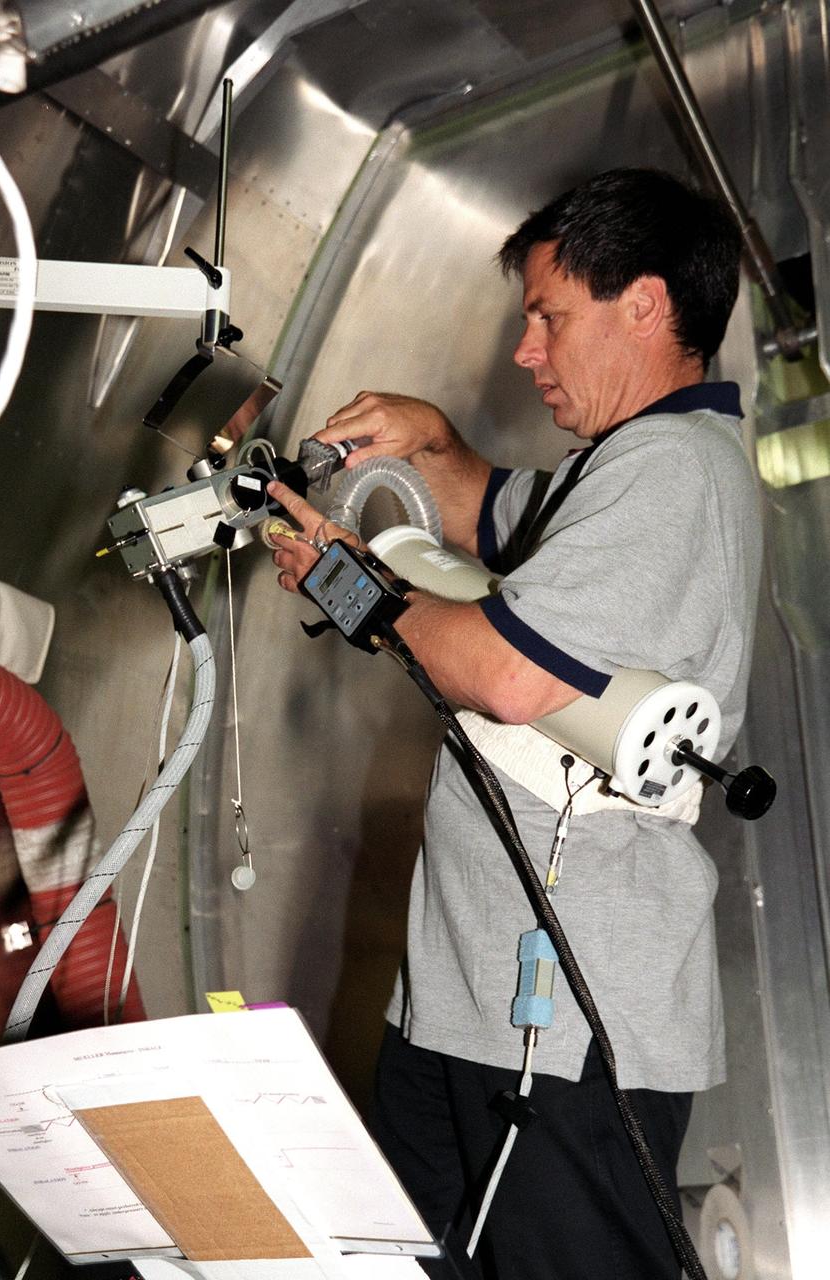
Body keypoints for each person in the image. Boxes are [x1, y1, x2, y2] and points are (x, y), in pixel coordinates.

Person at [267, 168, 761, 1280]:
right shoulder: (618, 470)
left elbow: (504, 673)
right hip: (463, 1003)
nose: (525, 351)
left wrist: (359, 586)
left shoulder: (675, 471)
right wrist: (429, 441)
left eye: (548, 316)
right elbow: (488, 512)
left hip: (565, 1029)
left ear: (643, 304)